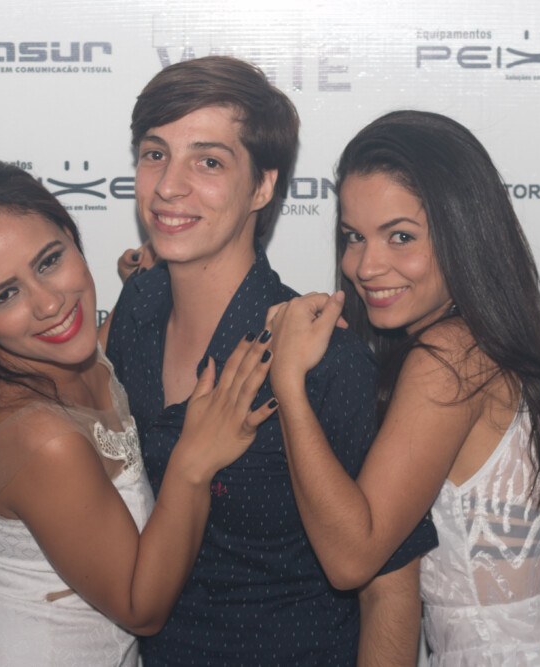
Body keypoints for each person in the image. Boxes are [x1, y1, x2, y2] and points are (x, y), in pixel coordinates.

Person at [0, 157, 277, 666]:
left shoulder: (64, 356)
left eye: (49, 261)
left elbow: (101, 353)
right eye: (5, 295)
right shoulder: (42, 439)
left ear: (73, 238)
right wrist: (194, 462)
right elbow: (141, 610)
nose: (49, 304)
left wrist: (158, 279)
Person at [266, 110, 540, 665]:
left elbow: (350, 558)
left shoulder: (450, 356)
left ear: (463, 232)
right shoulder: (484, 344)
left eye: (400, 237)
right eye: (354, 237)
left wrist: (288, 382)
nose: (366, 265)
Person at [104, 57, 437, 666]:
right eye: (155, 154)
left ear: (262, 187)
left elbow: (389, 589)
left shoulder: (323, 359)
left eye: (208, 162)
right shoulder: (136, 310)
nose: (169, 185)